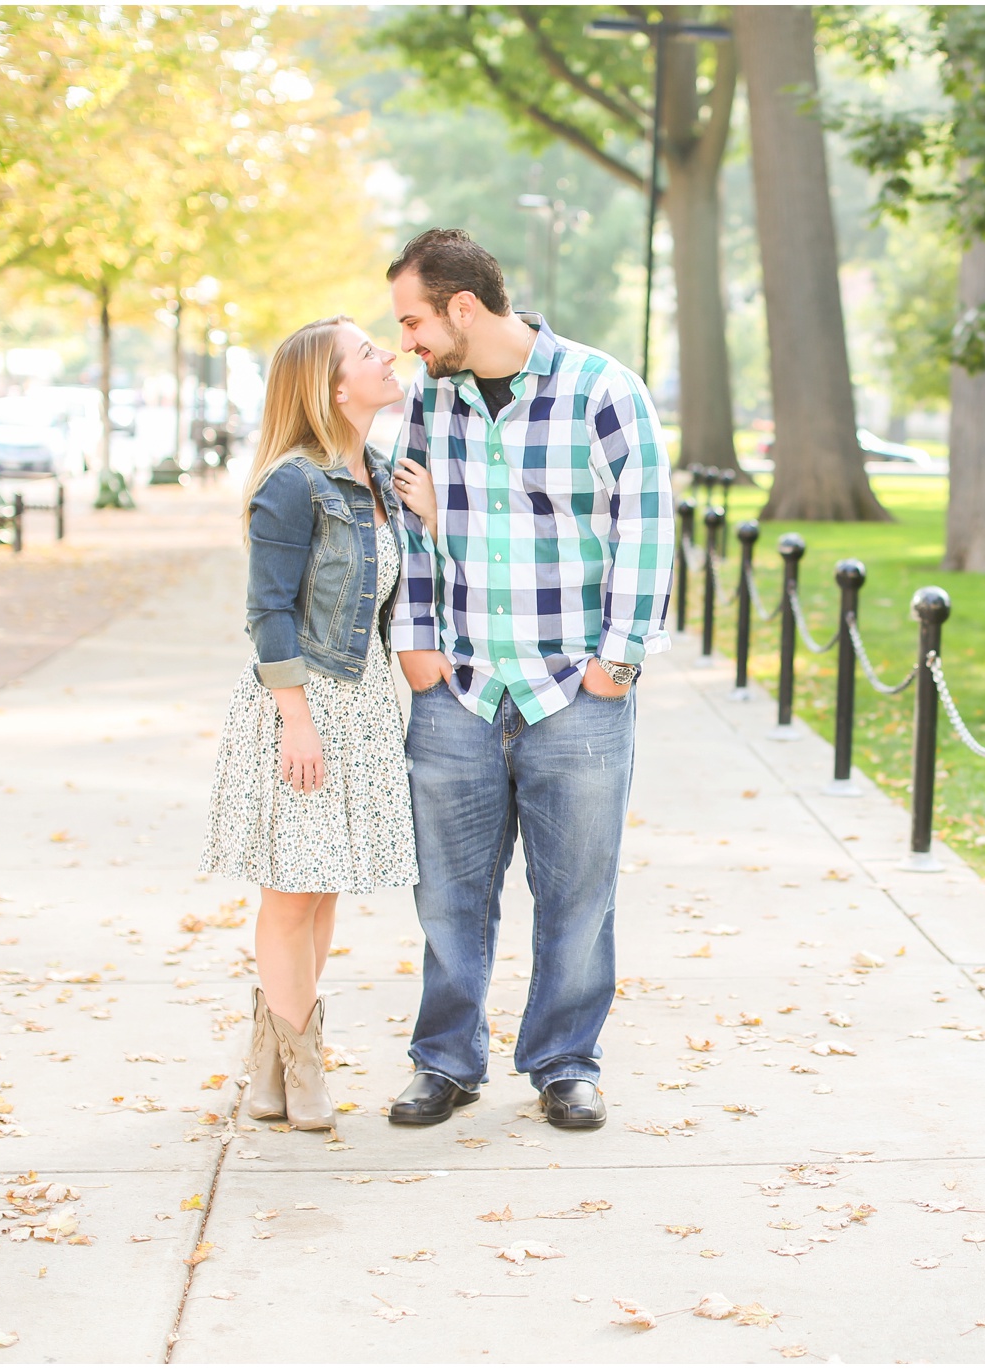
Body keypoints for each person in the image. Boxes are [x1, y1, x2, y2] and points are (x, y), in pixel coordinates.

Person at [382, 228, 672, 1130]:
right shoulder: (434, 400)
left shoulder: (603, 390)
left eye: (414, 320)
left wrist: (616, 663)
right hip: (458, 687)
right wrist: (414, 639)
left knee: (579, 890)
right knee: (447, 891)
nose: (408, 343)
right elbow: (416, 522)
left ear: (463, 307)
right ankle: (446, 1060)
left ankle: (564, 1061)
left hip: (573, 693)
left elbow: (646, 528)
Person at [199, 316, 418, 1132]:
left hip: (359, 705)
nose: (385, 356)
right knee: (291, 893)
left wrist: (422, 510)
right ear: (332, 387)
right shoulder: (292, 482)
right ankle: (304, 1069)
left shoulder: (381, 474)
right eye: (367, 352)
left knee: (321, 890)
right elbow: (268, 614)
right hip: (301, 704)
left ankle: (272, 1064)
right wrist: (296, 718)